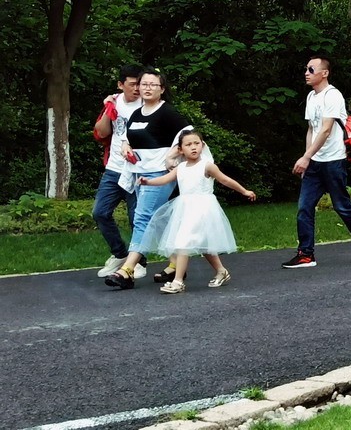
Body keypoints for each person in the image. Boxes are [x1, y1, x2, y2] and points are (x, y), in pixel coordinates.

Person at [283, 55, 351, 268]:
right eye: (306, 69)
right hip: (315, 162)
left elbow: (326, 130)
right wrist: (308, 158)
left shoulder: (333, 96)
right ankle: (306, 254)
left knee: (342, 206)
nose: (306, 73)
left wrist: (305, 157)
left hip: (334, 161)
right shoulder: (311, 97)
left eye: (311, 69)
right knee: (304, 207)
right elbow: (312, 129)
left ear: (324, 73)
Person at [104, 68, 192, 290]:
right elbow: (126, 136)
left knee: (142, 218)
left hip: (160, 174)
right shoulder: (136, 113)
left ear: (162, 89)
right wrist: (125, 146)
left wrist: (173, 153)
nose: (147, 88)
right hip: (139, 174)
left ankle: (127, 270)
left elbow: (191, 136)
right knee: (157, 219)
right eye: (144, 84)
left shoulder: (167, 113)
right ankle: (174, 264)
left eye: (153, 84)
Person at [137, 130, 256, 294]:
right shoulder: (181, 168)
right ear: (180, 150)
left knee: (183, 242)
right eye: (188, 144)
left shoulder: (207, 166)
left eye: (197, 143)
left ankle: (178, 281)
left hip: (203, 208)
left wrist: (244, 191)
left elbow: (225, 179)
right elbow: (165, 179)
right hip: (185, 209)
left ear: (202, 145)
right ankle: (221, 271)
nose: (193, 147)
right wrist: (148, 181)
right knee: (202, 244)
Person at [92, 65, 145, 278]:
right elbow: (102, 132)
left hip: (137, 168)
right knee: (100, 212)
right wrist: (108, 109)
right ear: (120, 85)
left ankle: (139, 262)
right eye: (132, 84)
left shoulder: (147, 105)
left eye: (139, 84)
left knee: (136, 217)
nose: (137, 88)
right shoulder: (115, 102)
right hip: (114, 168)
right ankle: (120, 254)